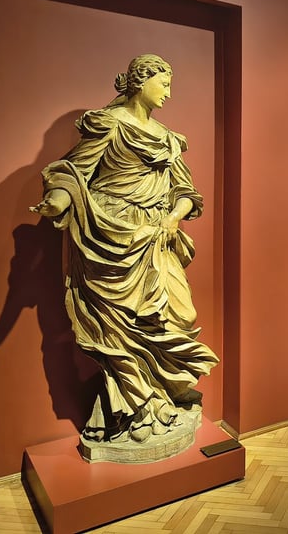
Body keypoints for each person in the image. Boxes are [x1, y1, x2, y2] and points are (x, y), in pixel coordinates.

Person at [31, 54, 219, 444]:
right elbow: (75, 171)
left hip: (156, 237)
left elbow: (186, 192)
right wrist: (58, 202)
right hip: (110, 238)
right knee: (116, 326)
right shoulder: (110, 125)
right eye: (163, 83)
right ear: (140, 81)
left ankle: (164, 387)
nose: (168, 93)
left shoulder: (167, 138)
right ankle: (142, 406)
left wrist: (174, 217)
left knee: (179, 315)